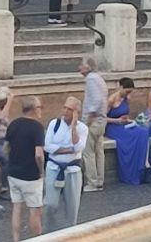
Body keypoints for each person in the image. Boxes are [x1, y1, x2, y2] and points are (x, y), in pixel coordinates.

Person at [43, 97, 88, 230]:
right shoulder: (54, 124)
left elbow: (79, 146)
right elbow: (47, 147)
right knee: (50, 204)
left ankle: (70, 232)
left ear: (76, 112)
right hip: (54, 168)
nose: (66, 111)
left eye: (70, 109)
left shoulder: (82, 128)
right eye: (65, 107)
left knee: (72, 206)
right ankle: (49, 232)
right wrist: (68, 150)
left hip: (73, 170)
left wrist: (73, 127)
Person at [5, 97, 45, 242]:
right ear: (34, 109)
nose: (41, 110)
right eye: (40, 107)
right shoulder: (37, 127)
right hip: (31, 176)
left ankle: (16, 239)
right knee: (35, 210)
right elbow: (39, 154)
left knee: (17, 208)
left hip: (14, 173)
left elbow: (6, 148)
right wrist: (41, 171)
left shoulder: (13, 124)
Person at [104, 78, 150, 185]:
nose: (128, 94)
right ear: (120, 87)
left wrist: (128, 120)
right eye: (127, 91)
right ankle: (129, 172)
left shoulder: (127, 99)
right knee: (132, 137)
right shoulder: (111, 100)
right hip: (113, 127)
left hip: (124, 124)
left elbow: (126, 113)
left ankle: (141, 167)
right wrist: (117, 120)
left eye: (130, 92)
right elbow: (102, 118)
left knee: (143, 132)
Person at [78, 57, 108, 193]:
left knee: (88, 152)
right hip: (102, 120)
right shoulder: (99, 78)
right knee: (99, 151)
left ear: (88, 67)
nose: (79, 67)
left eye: (81, 65)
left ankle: (92, 182)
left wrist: (90, 116)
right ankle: (100, 180)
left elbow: (96, 99)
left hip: (93, 121)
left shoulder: (91, 79)